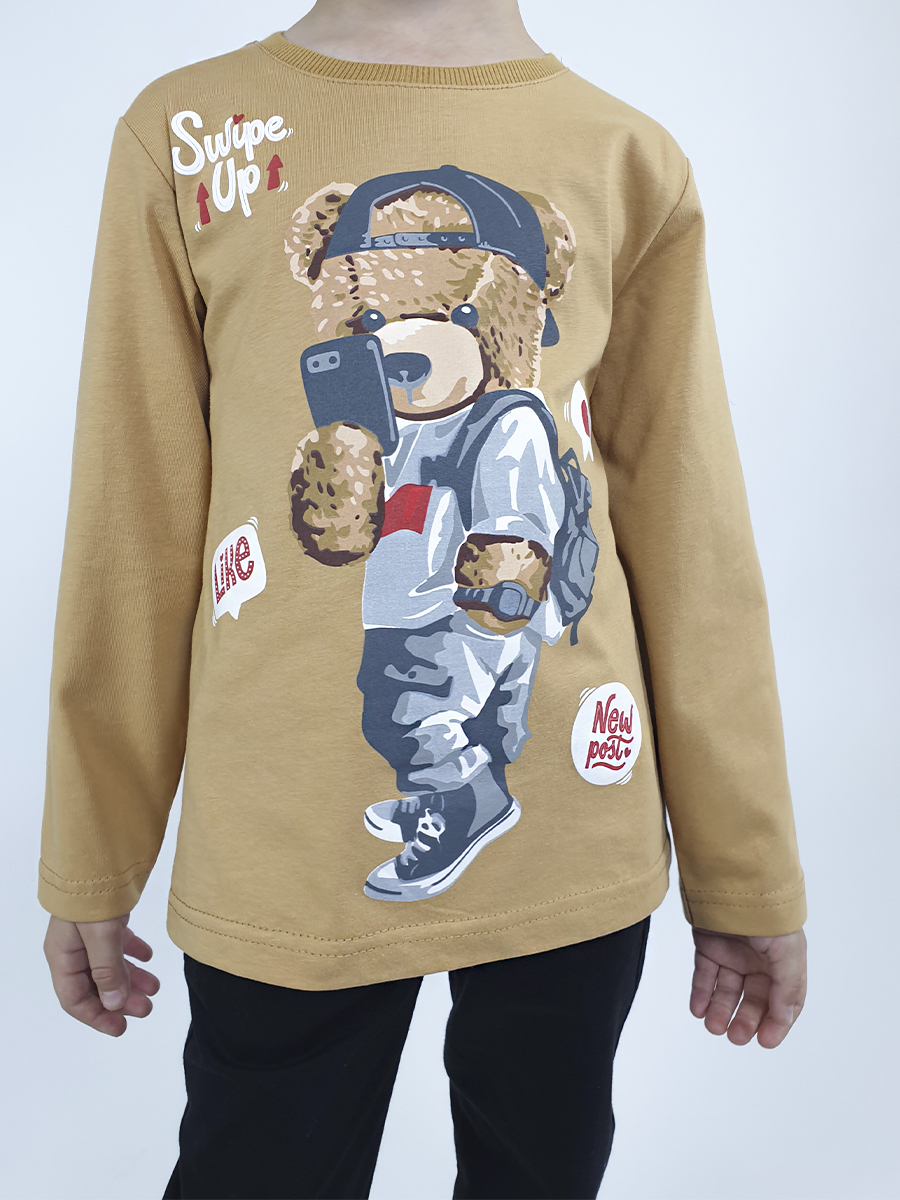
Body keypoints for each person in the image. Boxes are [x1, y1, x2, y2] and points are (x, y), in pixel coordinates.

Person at [40, 1, 808, 1196]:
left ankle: (466, 792)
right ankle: (446, 786)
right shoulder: (184, 134)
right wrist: (95, 848)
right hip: (276, 837)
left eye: (437, 318)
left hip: (569, 827)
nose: (400, 347)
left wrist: (743, 862)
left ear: (495, 313)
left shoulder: (623, 155)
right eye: (371, 322)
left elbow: (690, 535)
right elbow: (130, 523)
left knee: (539, 1164)